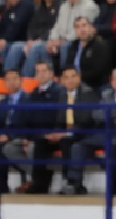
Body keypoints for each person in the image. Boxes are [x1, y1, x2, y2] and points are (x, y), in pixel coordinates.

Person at [31, 66, 99, 195]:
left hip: (83, 133)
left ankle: (72, 183)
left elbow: (86, 121)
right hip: (65, 133)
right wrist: (55, 133)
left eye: (73, 76)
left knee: (66, 142)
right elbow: (59, 119)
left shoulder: (88, 93)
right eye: (66, 78)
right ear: (62, 81)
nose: (70, 80)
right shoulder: (62, 94)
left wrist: (65, 133)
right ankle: (39, 184)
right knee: (41, 142)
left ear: (79, 78)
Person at [32, 0, 99, 71]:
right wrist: (52, 40)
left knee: (65, 46)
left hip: (78, 40)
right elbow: (57, 26)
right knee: (38, 46)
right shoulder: (64, 6)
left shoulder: (89, 6)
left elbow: (80, 29)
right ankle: (45, 75)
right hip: (61, 40)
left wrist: (61, 41)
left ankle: (64, 74)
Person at [21, 60, 62, 194]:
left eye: (44, 71)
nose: (41, 74)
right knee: (11, 148)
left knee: (37, 146)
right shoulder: (33, 94)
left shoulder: (59, 92)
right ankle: (38, 179)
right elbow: (28, 118)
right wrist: (27, 137)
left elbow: (58, 117)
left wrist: (50, 133)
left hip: (53, 135)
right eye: (38, 71)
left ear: (51, 73)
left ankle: (39, 184)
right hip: (36, 135)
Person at [8, 0, 61, 77]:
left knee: (36, 47)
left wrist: (40, 39)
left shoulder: (61, 8)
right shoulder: (38, 8)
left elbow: (56, 28)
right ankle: (8, 76)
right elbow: (31, 27)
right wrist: (30, 39)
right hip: (35, 40)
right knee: (16, 47)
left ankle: (25, 77)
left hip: (51, 41)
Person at [0, 70, 32, 195]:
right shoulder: (3, 102)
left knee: (4, 149)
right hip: (4, 137)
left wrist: (9, 136)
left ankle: (3, 189)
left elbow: (28, 123)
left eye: (14, 79)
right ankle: (3, 189)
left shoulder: (28, 99)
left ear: (21, 80)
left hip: (20, 136)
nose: (11, 82)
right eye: (8, 80)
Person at [65, 17, 112, 91]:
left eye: (84, 25)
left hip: (95, 86)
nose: (81, 29)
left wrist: (77, 77)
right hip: (75, 84)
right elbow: (68, 65)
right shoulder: (73, 45)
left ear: (91, 28)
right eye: (78, 27)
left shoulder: (100, 45)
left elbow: (98, 71)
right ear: (75, 31)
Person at [0, 0, 35, 69]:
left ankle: (8, 74)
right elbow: (2, 28)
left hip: (24, 40)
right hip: (10, 41)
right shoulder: (8, 10)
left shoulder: (26, 4)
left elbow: (17, 23)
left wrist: (5, 39)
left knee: (14, 48)